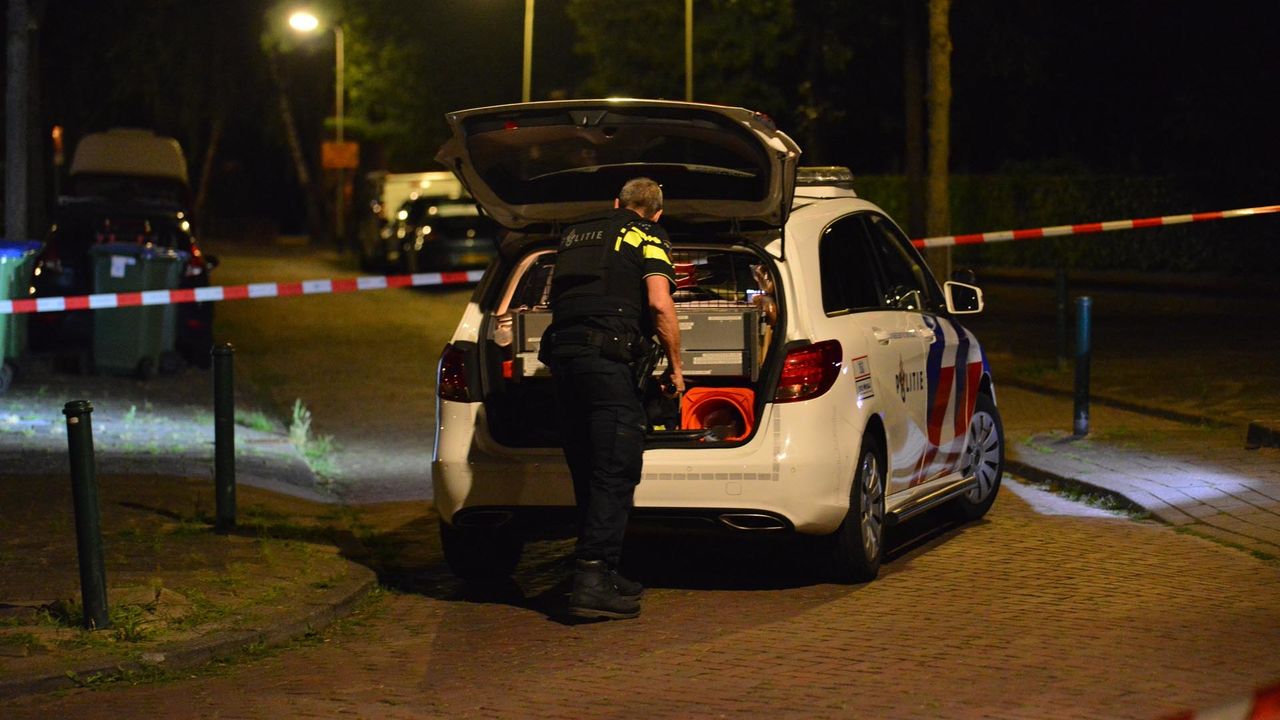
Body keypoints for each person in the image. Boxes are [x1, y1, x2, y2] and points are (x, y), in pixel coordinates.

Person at [539, 177, 684, 620]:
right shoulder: (648, 234)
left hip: (563, 359)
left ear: (616, 202)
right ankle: (591, 578)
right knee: (616, 467)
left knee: (587, 465)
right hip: (605, 362)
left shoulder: (575, 235)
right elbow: (659, 304)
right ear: (656, 212)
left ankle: (606, 570)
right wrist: (677, 368)